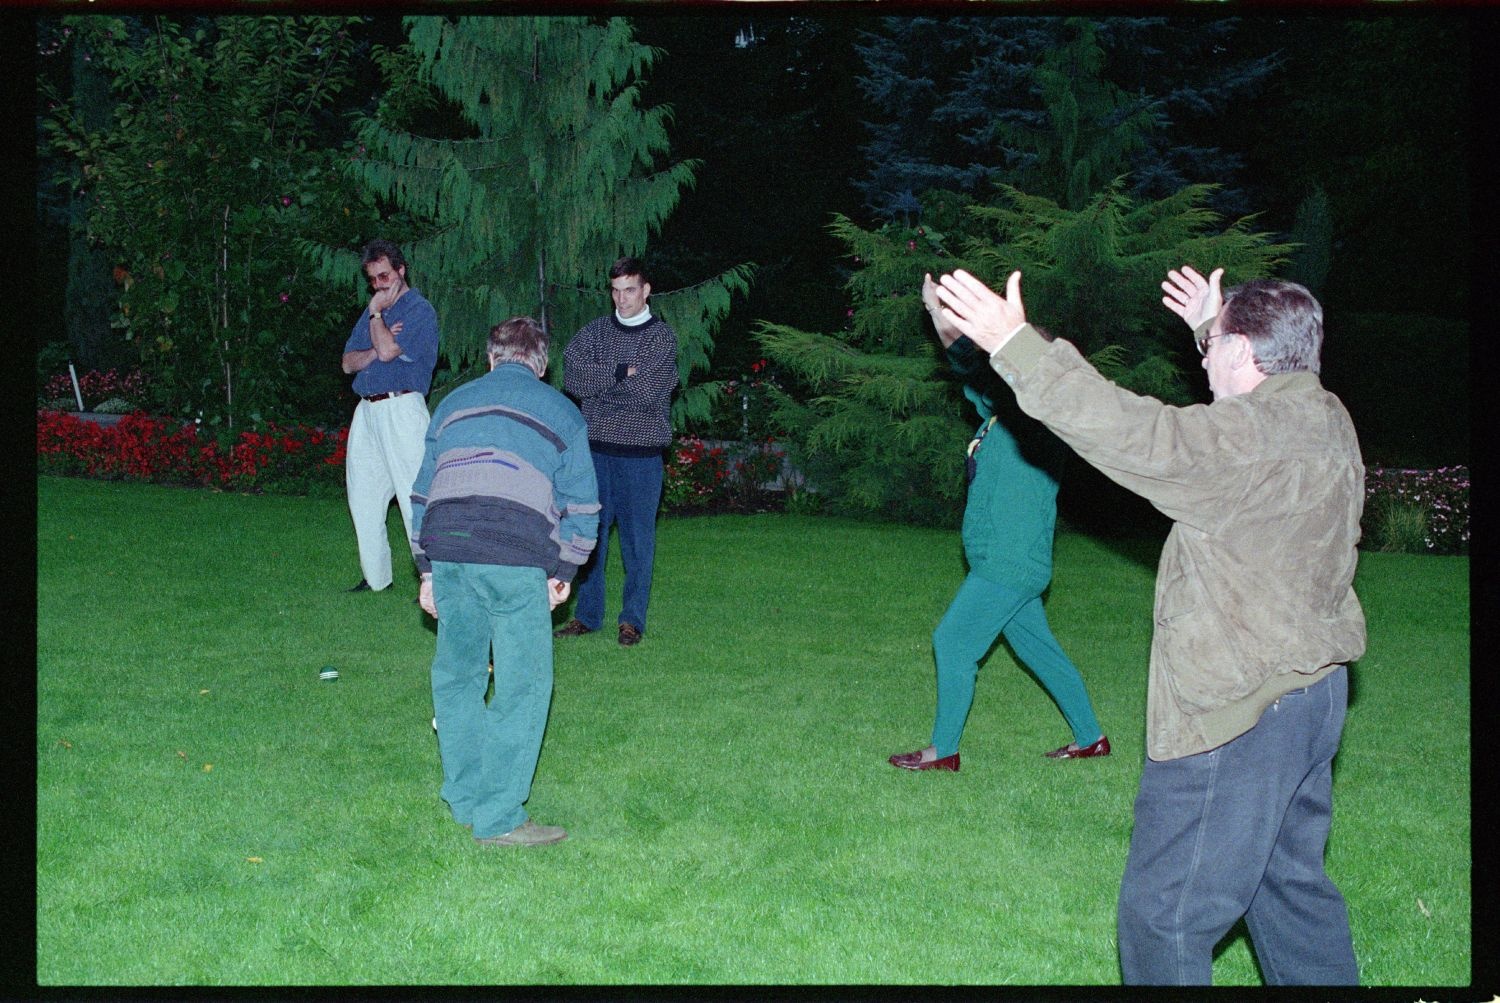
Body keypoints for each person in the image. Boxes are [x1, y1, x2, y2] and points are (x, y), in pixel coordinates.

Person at [933, 264, 1365, 986]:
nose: (1203, 358)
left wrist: (1016, 346)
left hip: (1239, 716)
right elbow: (1247, 396)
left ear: (1247, 353)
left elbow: (1140, 434)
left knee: (1161, 916)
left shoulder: (1249, 439)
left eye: (1212, 346)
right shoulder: (1324, 417)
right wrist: (1211, 323)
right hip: (1313, 697)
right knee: (1289, 897)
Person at [888, 275, 1109, 773]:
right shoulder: (997, 415)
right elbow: (969, 366)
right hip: (1006, 561)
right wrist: (939, 318)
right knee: (1042, 653)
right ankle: (1091, 738)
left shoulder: (1039, 415)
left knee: (952, 641)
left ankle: (943, 750)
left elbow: (989, 365)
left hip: (1009, 563)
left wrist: (954, 325)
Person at [411, 317, 599, 848]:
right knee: (523, 684)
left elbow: (421, 493)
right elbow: (583, 505)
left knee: (458, 676)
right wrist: (564, 571)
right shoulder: (562, 411)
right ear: (541, 367)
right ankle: (498, 817)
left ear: (492, 359)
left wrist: (427, 568)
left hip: (449, 544)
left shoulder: (451, 404)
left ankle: (466, 797)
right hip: (515, 554)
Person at [553, 257, 678, 647]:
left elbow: (647, 394)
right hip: (594, 453)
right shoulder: (594, 332)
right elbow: (573, 377)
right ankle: (587, 616)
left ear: (646, 291)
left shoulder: (662, 338)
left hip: (642, 456)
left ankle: (632, 620)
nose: (621, 299)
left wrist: (603, 382)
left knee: (638, 542)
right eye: (615, 290)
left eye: (629, 290)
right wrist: (624, 371)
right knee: (589, 537)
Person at [340, 239, 440, 593]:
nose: (379, 285)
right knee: (363, 496)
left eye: (384, 276)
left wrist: (378, 318)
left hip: (402, 409)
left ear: (401, 270)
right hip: (366, 411)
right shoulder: (370, 311)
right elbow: (349, 362)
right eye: (373, 280)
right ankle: (377, 578)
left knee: (416, 498)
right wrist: (376, 334)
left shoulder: (419, 311)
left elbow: (387, 350)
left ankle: (433, 580)